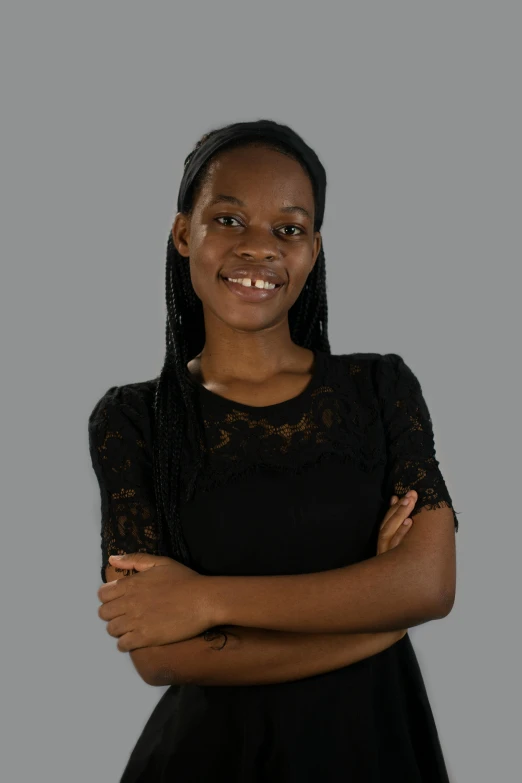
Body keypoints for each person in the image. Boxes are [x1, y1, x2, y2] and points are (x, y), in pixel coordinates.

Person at [88, 119, 460, 782]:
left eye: (288, 228)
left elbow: (428, 583)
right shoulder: (132, 419)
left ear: (313, 249)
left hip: (377, 754)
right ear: (184, 234)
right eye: (228, 218)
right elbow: (160, 654)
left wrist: (207, 599)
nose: (258, 246)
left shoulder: (380, 388)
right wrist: (375, 619)